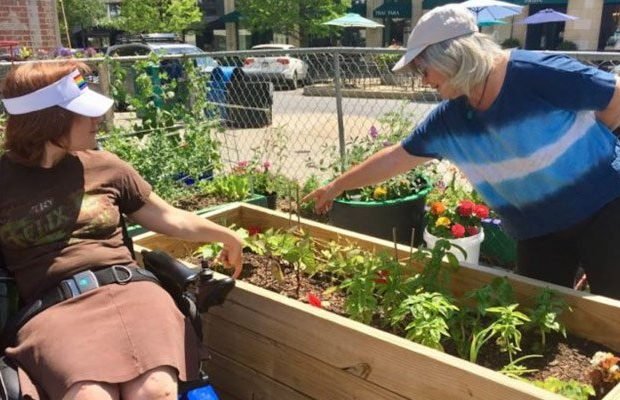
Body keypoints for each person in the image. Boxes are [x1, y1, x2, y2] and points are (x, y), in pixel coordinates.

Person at [303, 4, 620, 300]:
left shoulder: (532, 71)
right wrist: (337, 186)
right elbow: (396, 156)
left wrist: (589, 150)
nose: (424, 82)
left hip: (604, 209)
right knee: (539, 314)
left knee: (613, 312)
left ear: (450, 56)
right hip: (538, 230)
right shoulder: (451, 118)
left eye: (423, 70)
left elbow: (615, 97)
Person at [0, 61, 244, 399]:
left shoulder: (106, 166)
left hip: (131, 292)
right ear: (48, 120)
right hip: (54, 309)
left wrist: (226, 235)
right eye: (83, 113)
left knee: (155, 391)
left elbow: (170, 218)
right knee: (89, 396)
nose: (97, 120)